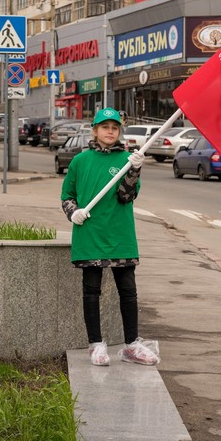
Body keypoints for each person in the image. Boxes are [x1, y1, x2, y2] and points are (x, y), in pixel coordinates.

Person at [60, 107, 160, 367]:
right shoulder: (80, 161)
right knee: (91, 291)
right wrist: (73, 212)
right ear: (95, 130)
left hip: (120, 235)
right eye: (105, 127)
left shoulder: (128, 159)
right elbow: (67, 196)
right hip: (90, 235)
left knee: (128, 291)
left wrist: (134, 170)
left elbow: (126, 196)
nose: (110, 131)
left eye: (114, 128)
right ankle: (95, 344)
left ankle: (132, 345)